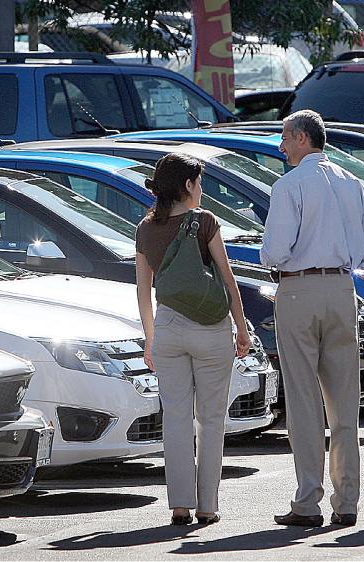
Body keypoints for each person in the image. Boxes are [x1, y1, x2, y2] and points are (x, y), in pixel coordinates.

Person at [261, 110, 364, 527]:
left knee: (304, 401)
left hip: (298, 289)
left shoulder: (289, 185)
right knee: (345, 402)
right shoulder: (354, 183)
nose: (281, 147)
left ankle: (307, 501)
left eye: (285, 139)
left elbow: (274, 251)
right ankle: (346, 502)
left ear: (301, 138)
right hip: (343, 289)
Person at [135, 152, 251, 526]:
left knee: (176, 418)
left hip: (167, 326)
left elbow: (142, 290)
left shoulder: (145, 228)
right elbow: (228, 277)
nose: (202, 190)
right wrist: (242, 326)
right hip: (210, 328)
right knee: (211, 420)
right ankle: (207, 506)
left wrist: (151, 339)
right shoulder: (204, 222)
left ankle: (180, 506)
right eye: (199, 183)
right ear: (187, 186)